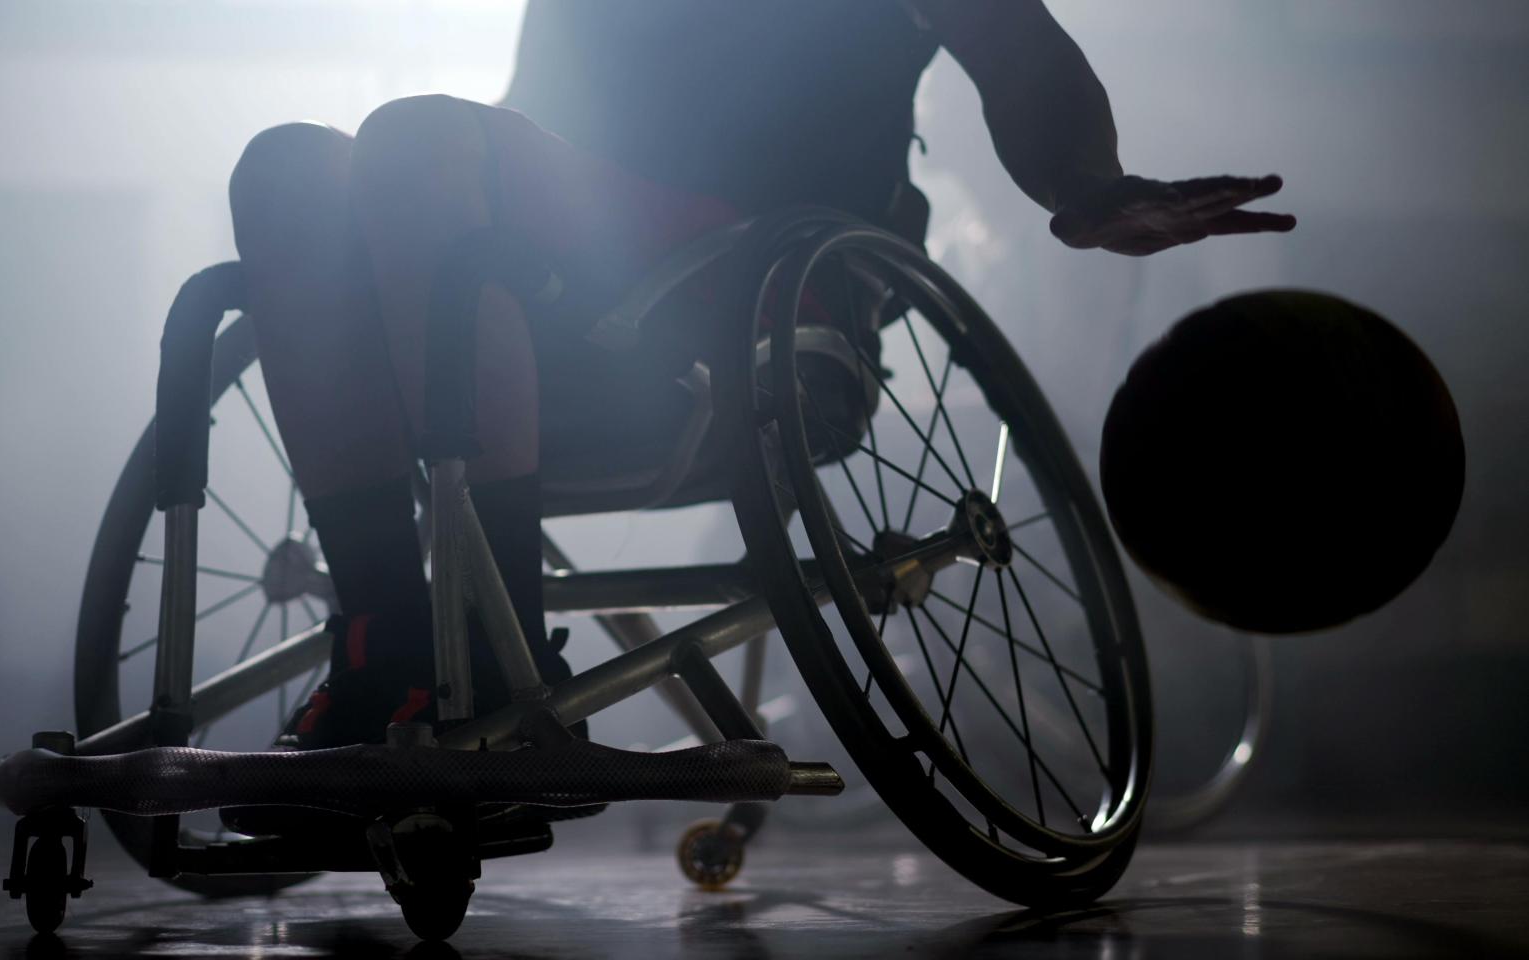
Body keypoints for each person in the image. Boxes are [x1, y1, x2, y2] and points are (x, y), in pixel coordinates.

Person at [227, 0, 1295, 747]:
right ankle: (384, 646)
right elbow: (510, 143)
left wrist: (1089, 184)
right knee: (286, 168)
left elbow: (1014, 46)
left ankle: (497, 662)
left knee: (415, 140)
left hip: (759, 295)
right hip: (564, 299)